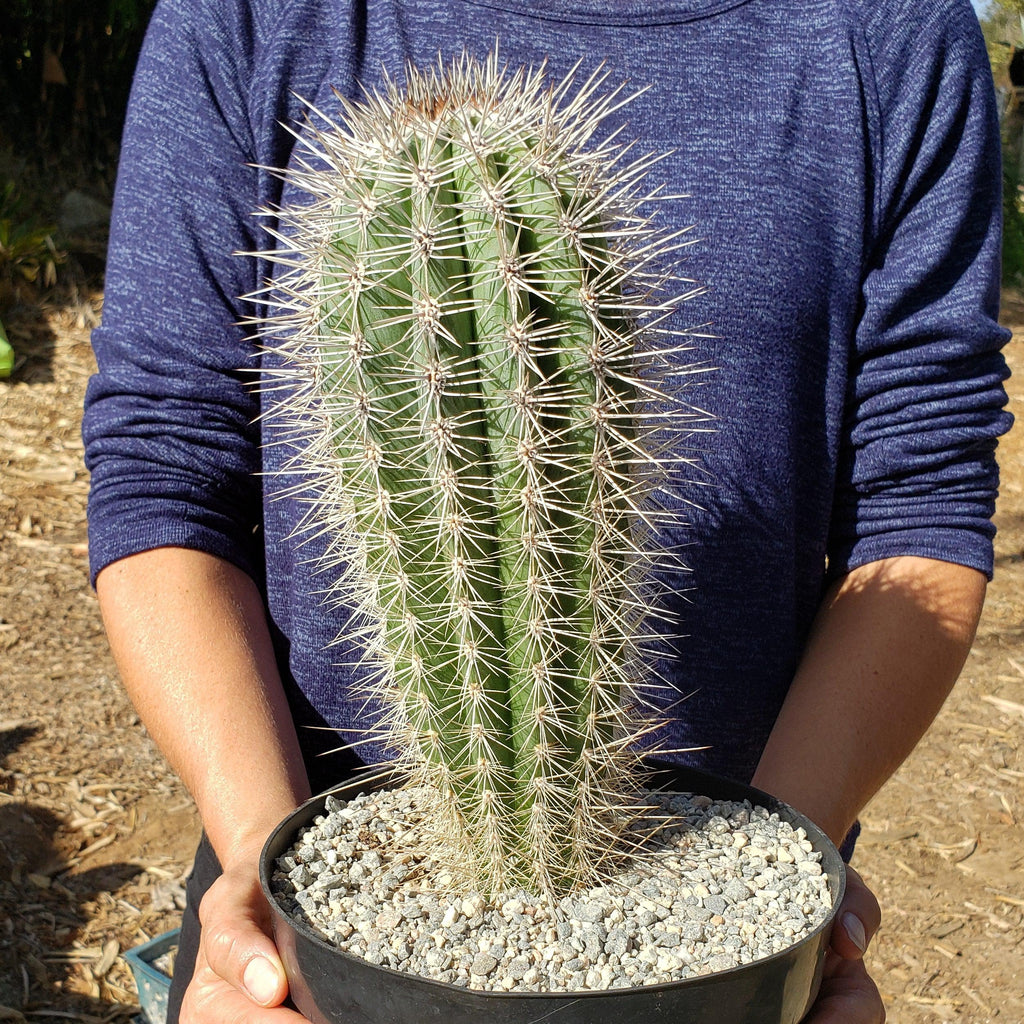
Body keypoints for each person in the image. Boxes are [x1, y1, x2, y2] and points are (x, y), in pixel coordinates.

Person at [84, 0, 1012, 1020]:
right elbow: (162, 470)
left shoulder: (889, 31)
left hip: (713, 888)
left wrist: (772, 873)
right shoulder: (255, 15)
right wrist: (264, 882)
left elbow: (921, 497)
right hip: (315, 887)